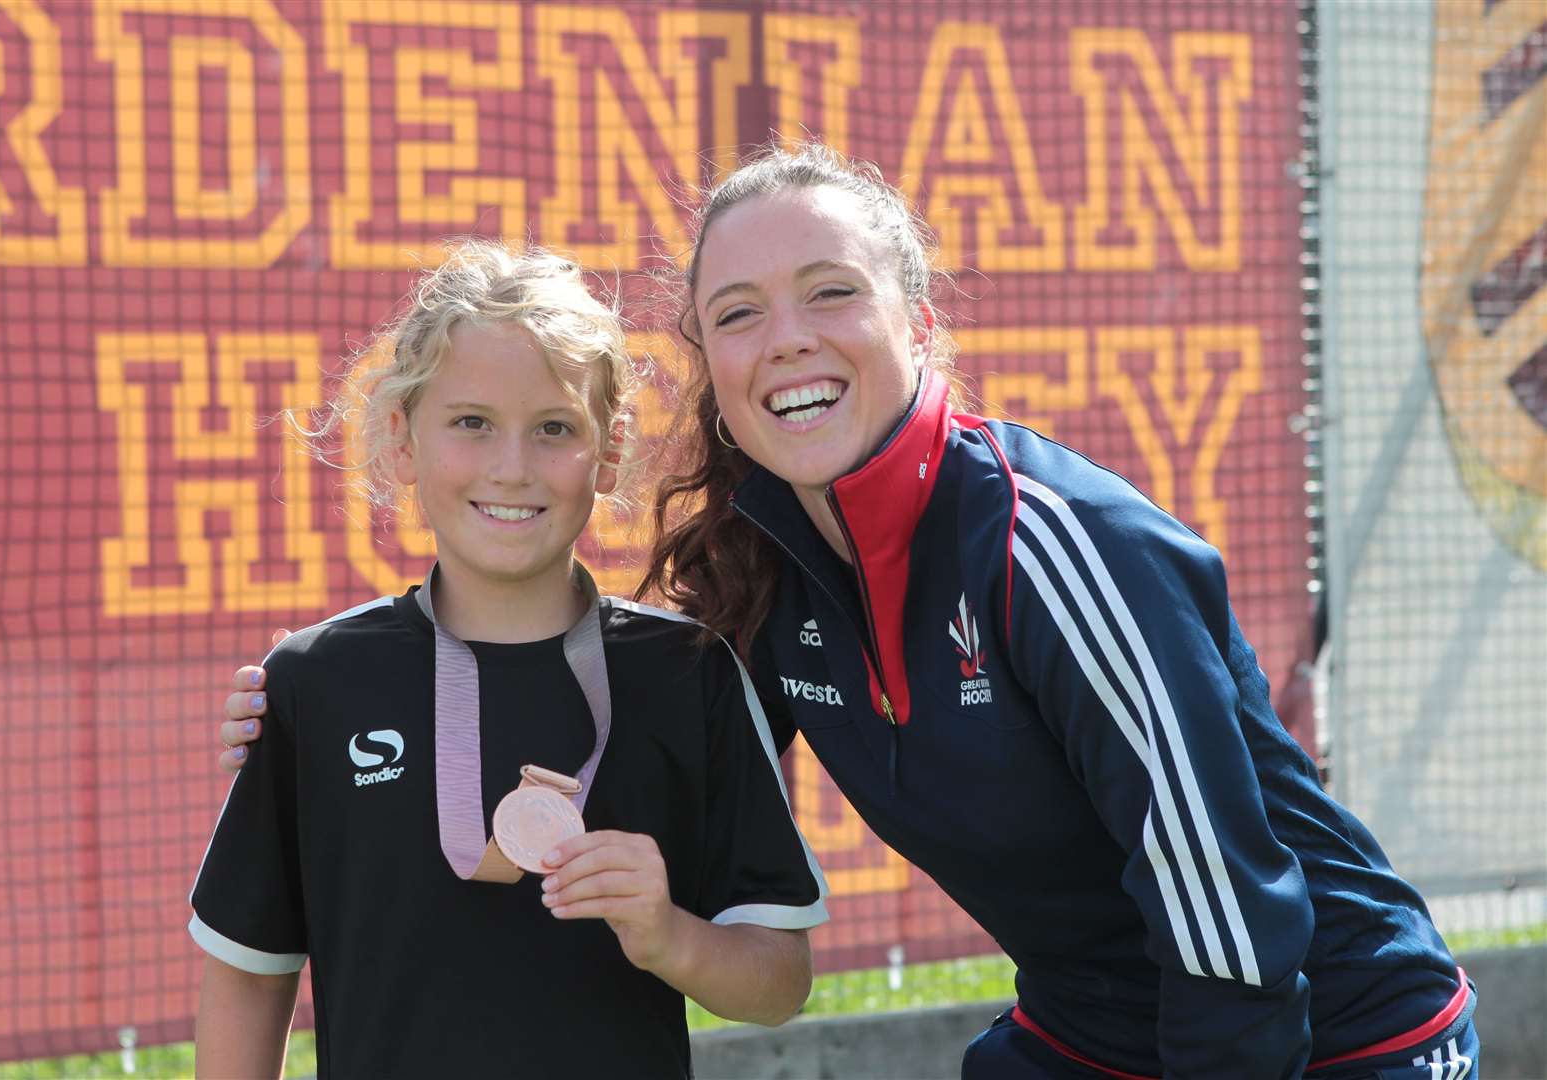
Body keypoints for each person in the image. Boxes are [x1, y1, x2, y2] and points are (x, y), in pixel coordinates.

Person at [218, 147, 1478, 1079]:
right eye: (738, 314)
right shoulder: (763, 586)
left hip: (1325, 1030)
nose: (788, 342)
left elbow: (1236, 929)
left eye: (831, 293)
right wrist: (317, 721)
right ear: (708, 364)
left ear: (917, 320)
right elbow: (645, 765)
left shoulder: (1053, 546)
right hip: (1095, 1031)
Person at [190, 239, 827, 1080]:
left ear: (608, 450)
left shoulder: (689, 673)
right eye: (471, 423)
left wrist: (671, 935)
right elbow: (248, 973)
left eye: (555, 428)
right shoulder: (316, 681)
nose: (512, 468)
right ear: (401, 437)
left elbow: (778, 983)